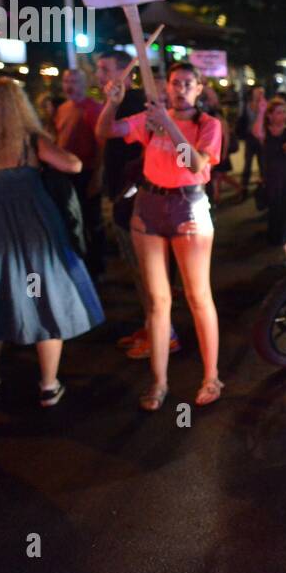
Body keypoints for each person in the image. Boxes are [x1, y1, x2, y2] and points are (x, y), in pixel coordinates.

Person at [0, 78, 103, 405]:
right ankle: (48, 385)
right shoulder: (30, 140)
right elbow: (74, 165)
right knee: (42, 297)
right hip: (36, 232)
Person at [97, 62, 223, 411]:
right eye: (175, 83)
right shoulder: (149, 120)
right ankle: (159, 382)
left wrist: (168, 124)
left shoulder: (208, 125)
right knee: (157, 300)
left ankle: (211, 376)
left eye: (188, 83)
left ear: (199, 89)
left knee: (198, 296)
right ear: (166, 87)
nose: (180, 88)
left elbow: (195, 165)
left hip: (189, 210)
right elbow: (105, 130)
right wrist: (113, 101)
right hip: (148, 207)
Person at [94, 51, 178, 360]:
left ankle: (165, 335)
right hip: (122, 198)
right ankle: (152, 326)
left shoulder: (142, 107)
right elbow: (103, 134)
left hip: (137, 201)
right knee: (137, 271)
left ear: (126, 74)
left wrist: (131, 189)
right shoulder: (118, 104)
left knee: (149, 274)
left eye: (105, 68)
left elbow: (156, 152)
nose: (99, 74)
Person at [54, 69, 105, 277]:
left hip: (87, 171)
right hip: (66, 174)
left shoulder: (93, 109)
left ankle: (96, 268)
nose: (70, 85)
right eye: (67, 81)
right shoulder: (63, 108)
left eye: (74, 81)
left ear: (84, 84)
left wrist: (97, 175)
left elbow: (102, 144)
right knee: (71, 219)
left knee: (91, 220)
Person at [252, 96, 286, 256]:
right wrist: (261, 111)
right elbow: (256, 131)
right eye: (278, 112)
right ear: (270, 115)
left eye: (284, 112)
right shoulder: (265, 131)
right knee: (278, 210)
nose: (282, 115)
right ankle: (283, 247)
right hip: (274, 178)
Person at [238, 86, 267, 202]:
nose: (259, 94)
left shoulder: (265, 104)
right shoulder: (246, 105)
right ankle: (243, 190)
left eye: (261, 92)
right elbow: (242, 119)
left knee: (262, 164)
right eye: (257, 92)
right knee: (247, 164)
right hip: (250, 138)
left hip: (261, 138)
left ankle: (263, 189)